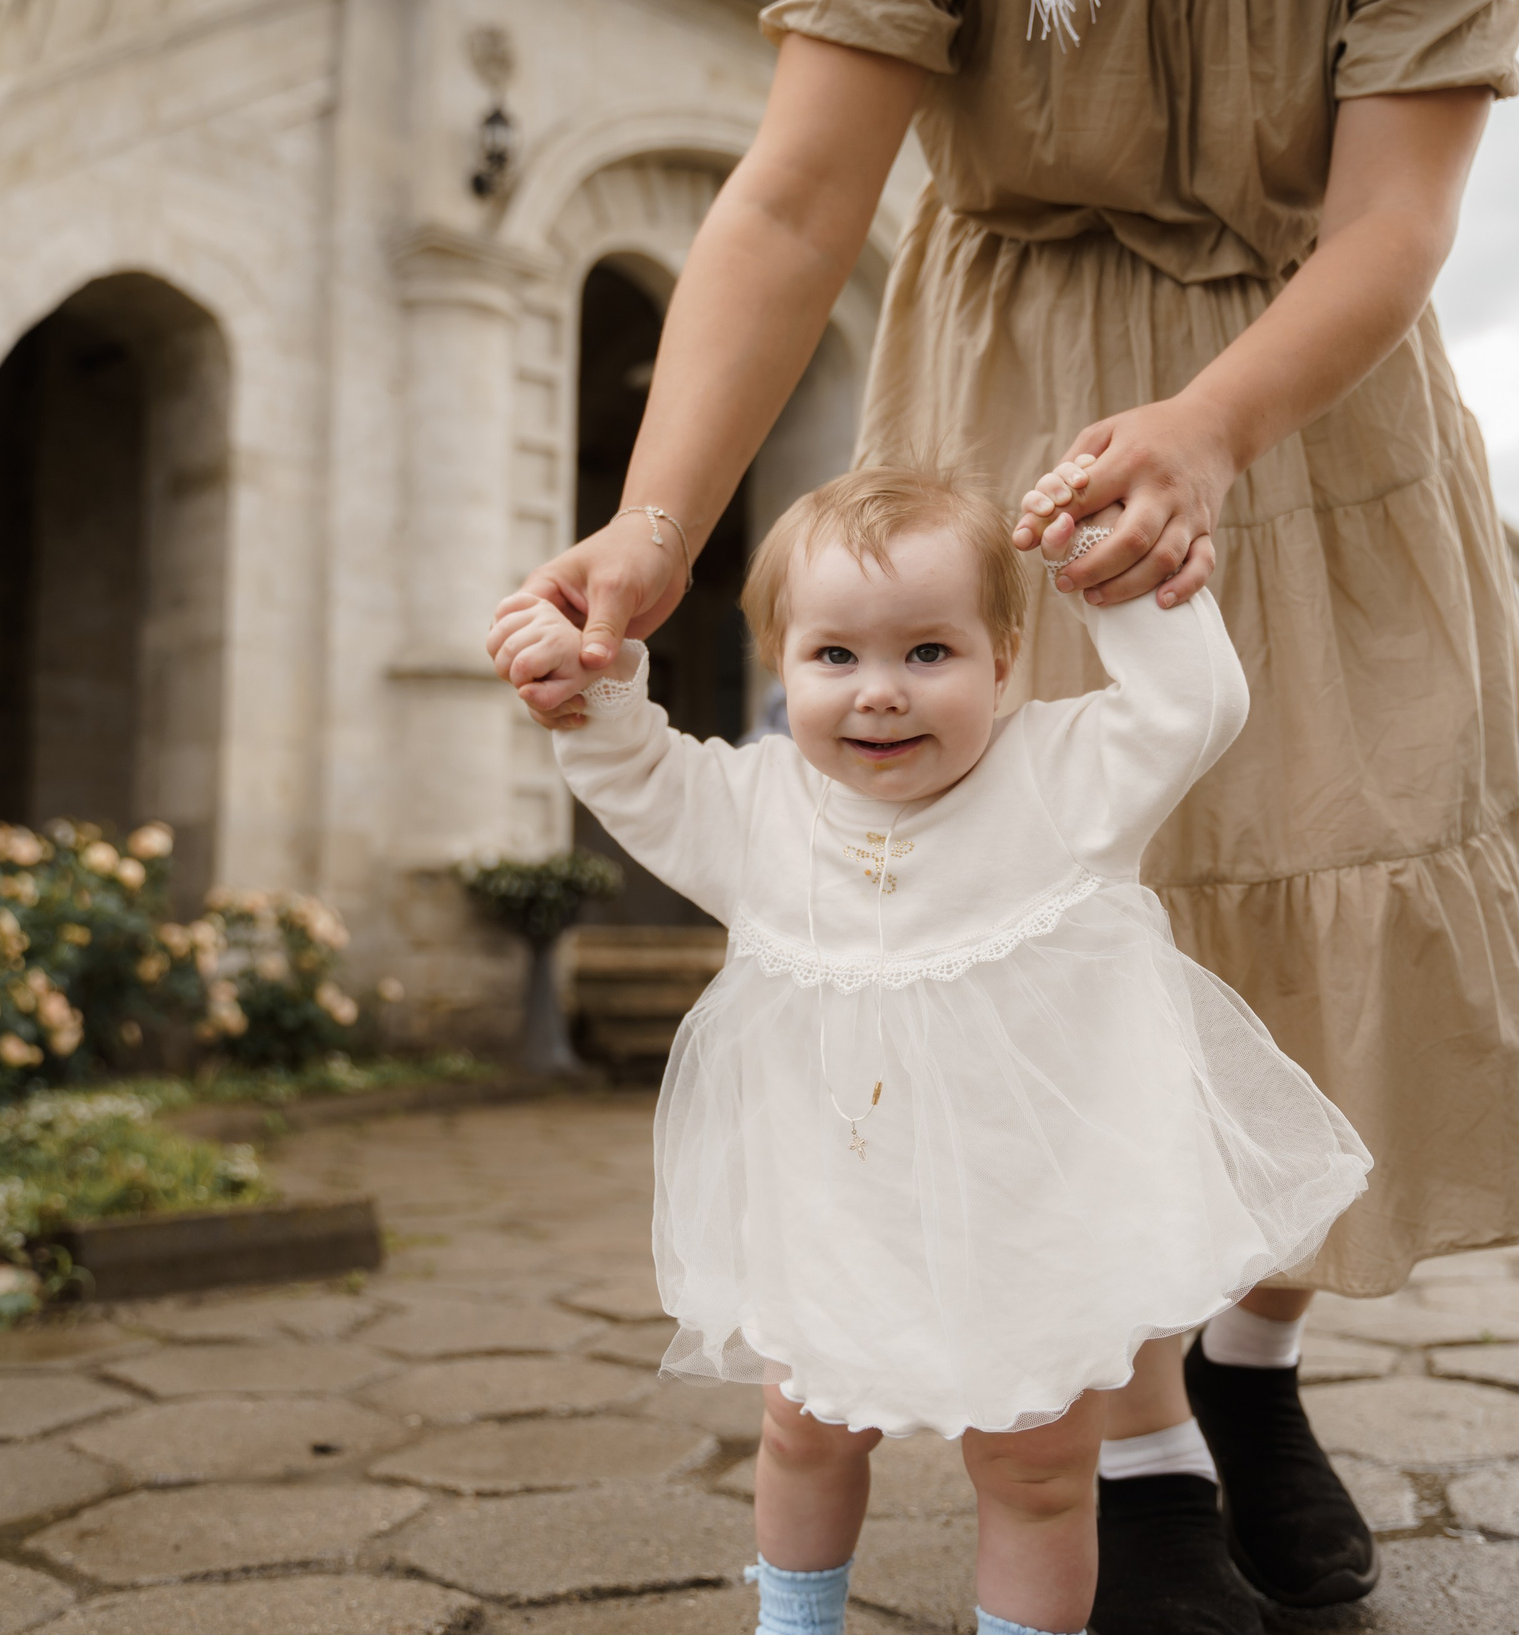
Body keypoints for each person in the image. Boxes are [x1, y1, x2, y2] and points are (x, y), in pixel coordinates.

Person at [494, 0, 1519, 1624]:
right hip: (1017, 392)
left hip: (1305, 378)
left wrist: (1215, 424)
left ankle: (1254, 1360)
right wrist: (653, 529)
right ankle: (1135, 1445)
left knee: (1334, 867)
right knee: (1037, 924)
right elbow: (794, 197)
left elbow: (1392, 218)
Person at [491, 466, 1372, 1635]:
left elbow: (1191, 708)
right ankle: (796, 1625)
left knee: (1038, 1474)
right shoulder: (753, 815)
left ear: (1002, 660)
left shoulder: (1067, 780)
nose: (881, 697)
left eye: (928, 654)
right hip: (833, 1219)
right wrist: (583, 684)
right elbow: (636, 772)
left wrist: (1118, 583)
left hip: (1034, 1228)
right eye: (835, 658)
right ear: (780, 671)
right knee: (804, 1438)